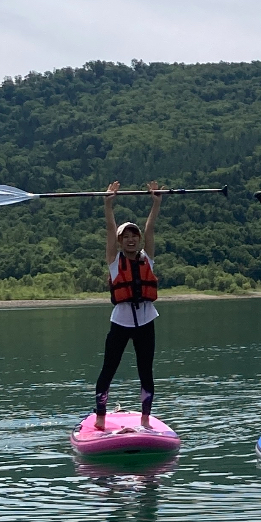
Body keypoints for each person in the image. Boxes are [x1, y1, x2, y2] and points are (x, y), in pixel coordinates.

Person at [96, 180, 163, 430]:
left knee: (146, 370)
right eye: (126, 237)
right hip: (121, 321)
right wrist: (108, 205)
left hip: (146, 320)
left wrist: (155, 204)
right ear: (121, 241)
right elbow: (109, 230)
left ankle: (145, 419)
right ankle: (100, 418)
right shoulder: (114, 262)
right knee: (109, 368)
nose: (132, 240)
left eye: (134, 236)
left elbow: (151, 230)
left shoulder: (148, 259)